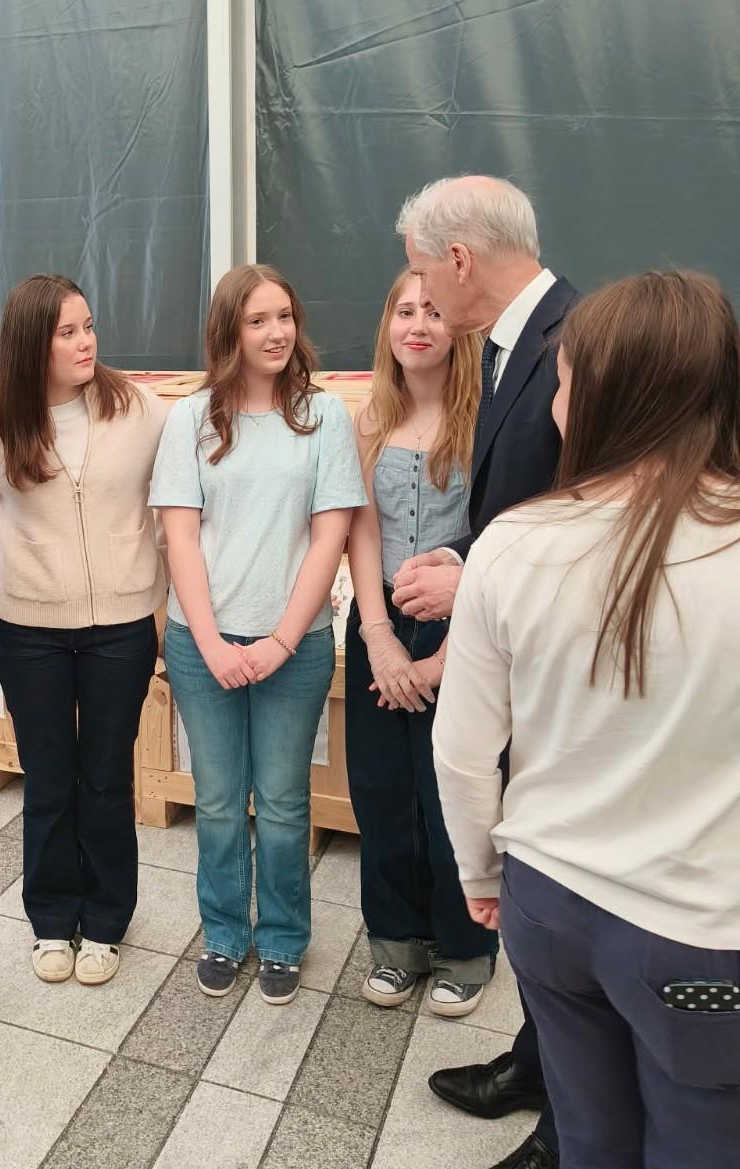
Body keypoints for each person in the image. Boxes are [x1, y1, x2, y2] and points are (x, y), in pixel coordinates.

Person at [434, 270, 740, 1168]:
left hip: (549, 908)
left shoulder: (512, 545)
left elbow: (463, 753)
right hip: (700, 938)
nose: (554, 405)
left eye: (562, 383)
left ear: (607, 399)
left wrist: (480, 871)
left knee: (589, 1135)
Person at [393, 174, 578, 1169]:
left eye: (422, 270)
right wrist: (466, 555)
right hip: (526, 658)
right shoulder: (515, 345)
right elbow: (524, 505)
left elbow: (590, 519)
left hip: (564, 683)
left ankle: (566, 1122)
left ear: (458, 259)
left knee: (556, 900)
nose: (418, 291)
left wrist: (475, 579)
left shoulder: (577, 346)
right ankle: (538, 1064)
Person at [151, 263, 365, 1006]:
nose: (277, 333)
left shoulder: (324, 416)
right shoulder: (190, 419)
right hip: (200, 642)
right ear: (229, 332)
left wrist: (280, 640)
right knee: (216, 801)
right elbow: (180, 537)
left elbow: (330, 536)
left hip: (295, 646)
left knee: (281, 801)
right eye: (258, 321)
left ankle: (280, 939)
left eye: (285, 317)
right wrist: (211, 643)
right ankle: (222, 932)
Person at [0, 274, 167, 986]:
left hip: (121, 627)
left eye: (88, 326)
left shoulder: (139, 409)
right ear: (30, 344)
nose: (85, 342)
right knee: (46, 779)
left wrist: (160, 585)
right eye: (67, 332)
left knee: (105, 778)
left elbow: (175, 504)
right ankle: (50, 918)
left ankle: (105, 920)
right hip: (29, 631)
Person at [345, 270, 492, 1016]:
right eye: (404, 310)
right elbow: (360, 528)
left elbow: (498, 539)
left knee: (450, 796)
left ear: (457, 326)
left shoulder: (486, 419)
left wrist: (440, 659)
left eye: (434, 311)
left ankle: (465, 946)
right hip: (379, 618)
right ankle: (394, 941)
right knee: (382, 792)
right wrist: (378, 637)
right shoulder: (368, 418)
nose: (418, 325)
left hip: (463, 624)